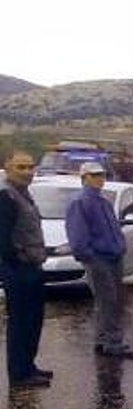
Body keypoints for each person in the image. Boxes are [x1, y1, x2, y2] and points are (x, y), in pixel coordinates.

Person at [66, 162, 133, 359]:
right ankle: (114, 343)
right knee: (108, 301)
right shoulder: (80, 202)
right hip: (98, 259)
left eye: (102, 175)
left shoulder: (103, 201)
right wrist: (89, 256)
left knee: (111, 300)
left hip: (113, 257)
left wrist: (120, 246)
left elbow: (113, 228)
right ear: (84, 178)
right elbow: (77, 236)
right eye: (95, 175)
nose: (100, 179)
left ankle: (102, 340)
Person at [0, 149, 53, 389]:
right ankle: (19, 374)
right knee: (20, 322)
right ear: (7, 167)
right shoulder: (6, 196)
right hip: (19, 269)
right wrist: (18, 260)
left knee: (34, 320)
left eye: (31, 167)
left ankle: (29, 366)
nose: (28, 172)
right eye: (21, 167)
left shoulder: (24, 194)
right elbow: (3, 239)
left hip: (32, 266)